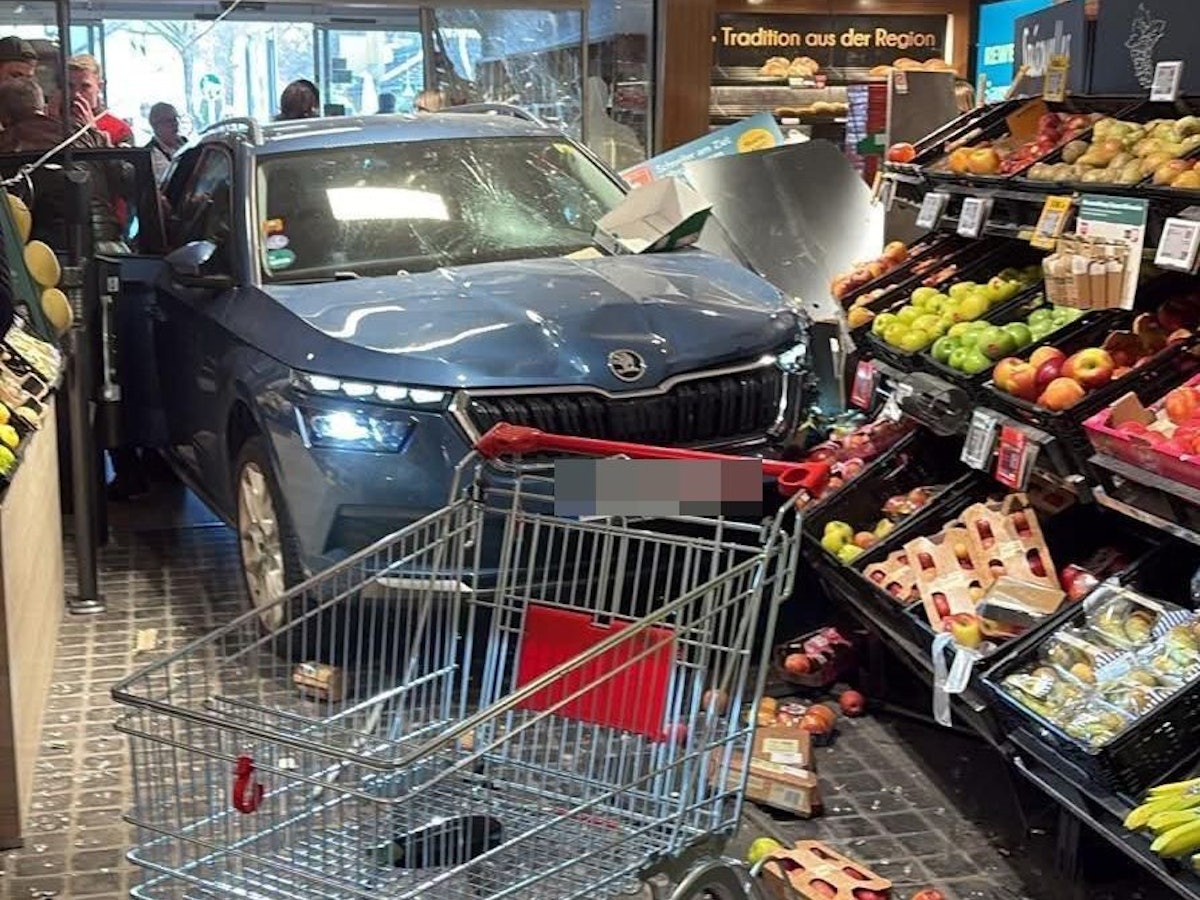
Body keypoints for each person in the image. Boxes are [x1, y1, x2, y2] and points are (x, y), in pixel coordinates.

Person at [65, 53, 132, 146]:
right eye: (70, 86)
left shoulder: (119, 129)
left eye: (85, 86)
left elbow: (122, 160)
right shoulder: (55, 122)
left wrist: (93, 133)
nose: (76, 94)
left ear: (99, 87)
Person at [145, 101, 182, 183]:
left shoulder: (184, 143)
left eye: (175, 119)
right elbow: (172, 180)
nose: (175, 124)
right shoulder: (151, 154)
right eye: (169, 121)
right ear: (155, 125)